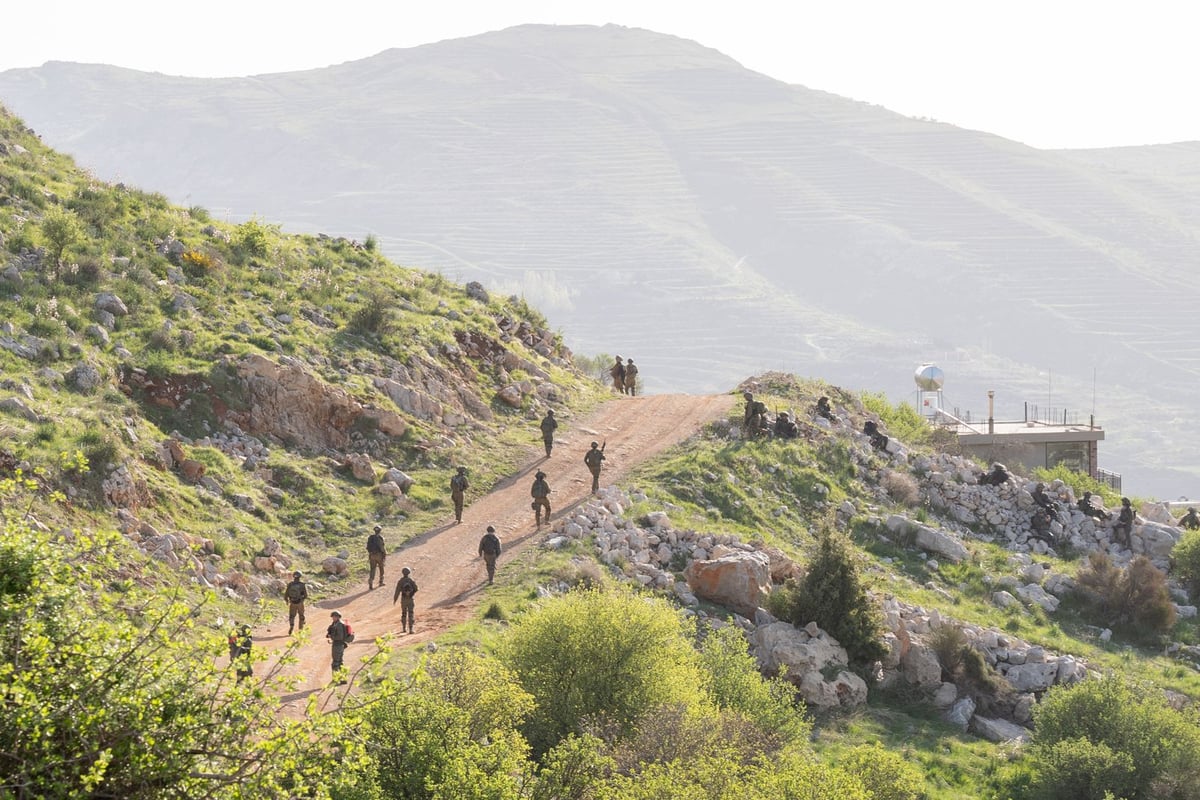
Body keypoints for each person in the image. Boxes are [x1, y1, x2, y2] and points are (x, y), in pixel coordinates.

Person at [393, 566, 418, 634]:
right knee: (411, 613)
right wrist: (411, 594)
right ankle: (411, 629)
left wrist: (395, 600)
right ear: (409, 573)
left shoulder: (400, 581)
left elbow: (397, 591)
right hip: (410, 599)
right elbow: (416, 588)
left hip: (403, 599)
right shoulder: (411, 580)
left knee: (404, 613)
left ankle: (404, 628)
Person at [326, 610, 349, 681]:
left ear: (337, 617)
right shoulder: (335, 624)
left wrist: (331, 637)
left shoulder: (339, 625)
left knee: (336, 663)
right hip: (337, 644)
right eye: (332, 617)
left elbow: (340, 637)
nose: (333, 618)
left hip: (338, 645)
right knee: (339, 662)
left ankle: (336, 679)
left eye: (334, 617)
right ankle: (342, 679)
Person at [284, 570, 307, 635]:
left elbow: (286, 594)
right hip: (300, 603)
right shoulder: (302, 585)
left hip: (292, 602)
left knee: (292, 616)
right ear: (300, 576)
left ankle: (291, 626)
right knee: (301, 616)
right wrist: (302, 600)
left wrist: (287, 600)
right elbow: (305, 595)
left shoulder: (290, 584)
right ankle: (300, 630)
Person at [366, 525, 386, 590]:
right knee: (381, 567)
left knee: (372, 569)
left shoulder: (370, 537)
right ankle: (381, 581)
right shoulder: (380, 538)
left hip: (372, 555)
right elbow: (382, 548)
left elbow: (368, 547)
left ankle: (371, 581)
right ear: (380, 531)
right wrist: (384, 554)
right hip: (379, 555)